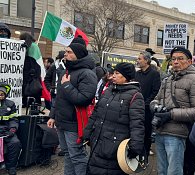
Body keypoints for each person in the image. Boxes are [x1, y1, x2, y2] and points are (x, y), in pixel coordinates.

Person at [150, 46, 195, 175]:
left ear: (189, 61)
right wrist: (155, 107)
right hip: (160, 130)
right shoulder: (166, 80)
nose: (176, 61)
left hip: (177, 133)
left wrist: (171, 114)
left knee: (173, 171)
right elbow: (155, 99)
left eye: (180, 58)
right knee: (161, 171)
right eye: (173, 59)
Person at [83, 62, 145, 175]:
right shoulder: (108, 91)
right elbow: (96, 113)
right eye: (113, 73)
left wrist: (135, 148)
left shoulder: (135, 96)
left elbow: (137, 124)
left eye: (117, 73)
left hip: (115, 149)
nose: (113, 76)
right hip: (98, 143)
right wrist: (87, 133)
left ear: (126, 77)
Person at [47, 41, 97, 175]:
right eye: (66, 51)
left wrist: (68, 85)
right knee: (68, 155)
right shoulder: (65, 71)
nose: (65, 54)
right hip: (61, 122)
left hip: (75, 124)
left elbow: (83, 99)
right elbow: (59, 97)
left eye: (69, 52)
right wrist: (52, 116)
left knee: (77, 157)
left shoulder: (87, 73)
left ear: (78, 55)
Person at [135, 51, 161, 159]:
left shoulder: (154, 74)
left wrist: (147, 102)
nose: (138, 61)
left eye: (140, 59)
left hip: (147, 108)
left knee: (147, 130)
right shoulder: (137, 73)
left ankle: (145, 152)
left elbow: (156, 90)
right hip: (136, 106)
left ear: (146, 60)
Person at [0, 83, 21, 175]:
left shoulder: (10, 104)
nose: (0, 96)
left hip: (6, 129)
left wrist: (12, 130)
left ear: (5, 95)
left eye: (2, 94)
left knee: (15, 142)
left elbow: (14, 119)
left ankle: (11, 166)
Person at [19, 33, 42, 108]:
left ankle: (25, 103)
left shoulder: (28, 46)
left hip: (28, 69)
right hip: (35, 71)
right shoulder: (35, 46)